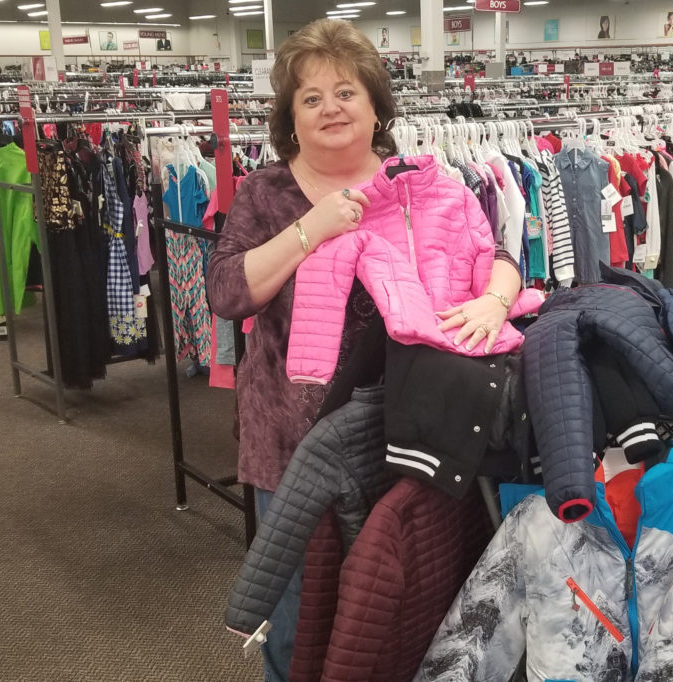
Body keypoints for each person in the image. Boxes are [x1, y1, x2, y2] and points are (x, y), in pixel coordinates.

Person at [207, 18, 521, 682]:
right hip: (293, 446)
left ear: (376, 105)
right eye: (310, 97)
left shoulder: (416, 186)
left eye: (345, 91)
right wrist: (310, 230)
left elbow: (493, 256)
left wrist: (494, 301)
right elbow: (228, 292)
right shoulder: (268, 193)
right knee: (296, 628)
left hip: (410, 437)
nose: (330, 108)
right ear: (290, 118)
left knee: (399, 614)